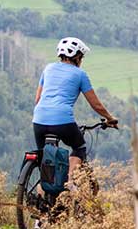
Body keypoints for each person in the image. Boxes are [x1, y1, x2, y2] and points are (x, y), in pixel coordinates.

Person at [33, 37, 118, 168]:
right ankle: (70, 183)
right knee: (80, 147)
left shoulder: (48, 68)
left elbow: (37, 99)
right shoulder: (80, 74)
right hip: (62, 120)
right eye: (81, 57)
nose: (81, 60)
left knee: (44, 161)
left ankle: (40, 187)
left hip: (39, 119)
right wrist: (110, 118)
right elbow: (96, 105)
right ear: (77, 57)